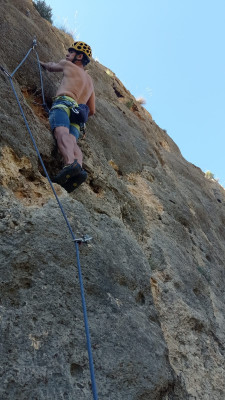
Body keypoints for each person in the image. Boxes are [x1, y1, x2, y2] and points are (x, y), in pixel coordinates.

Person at [40, 41, 95, 187]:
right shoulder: (90, 82)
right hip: (78, 114)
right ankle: (78, 169)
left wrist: (42, 63)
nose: (67, 54)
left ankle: (70, 164)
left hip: (64, 102)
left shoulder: (67, 64)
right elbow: (92, 110)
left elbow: (51, 67)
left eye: (71, 52)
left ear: (79, 56)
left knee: (61, 133)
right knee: (72, 140)